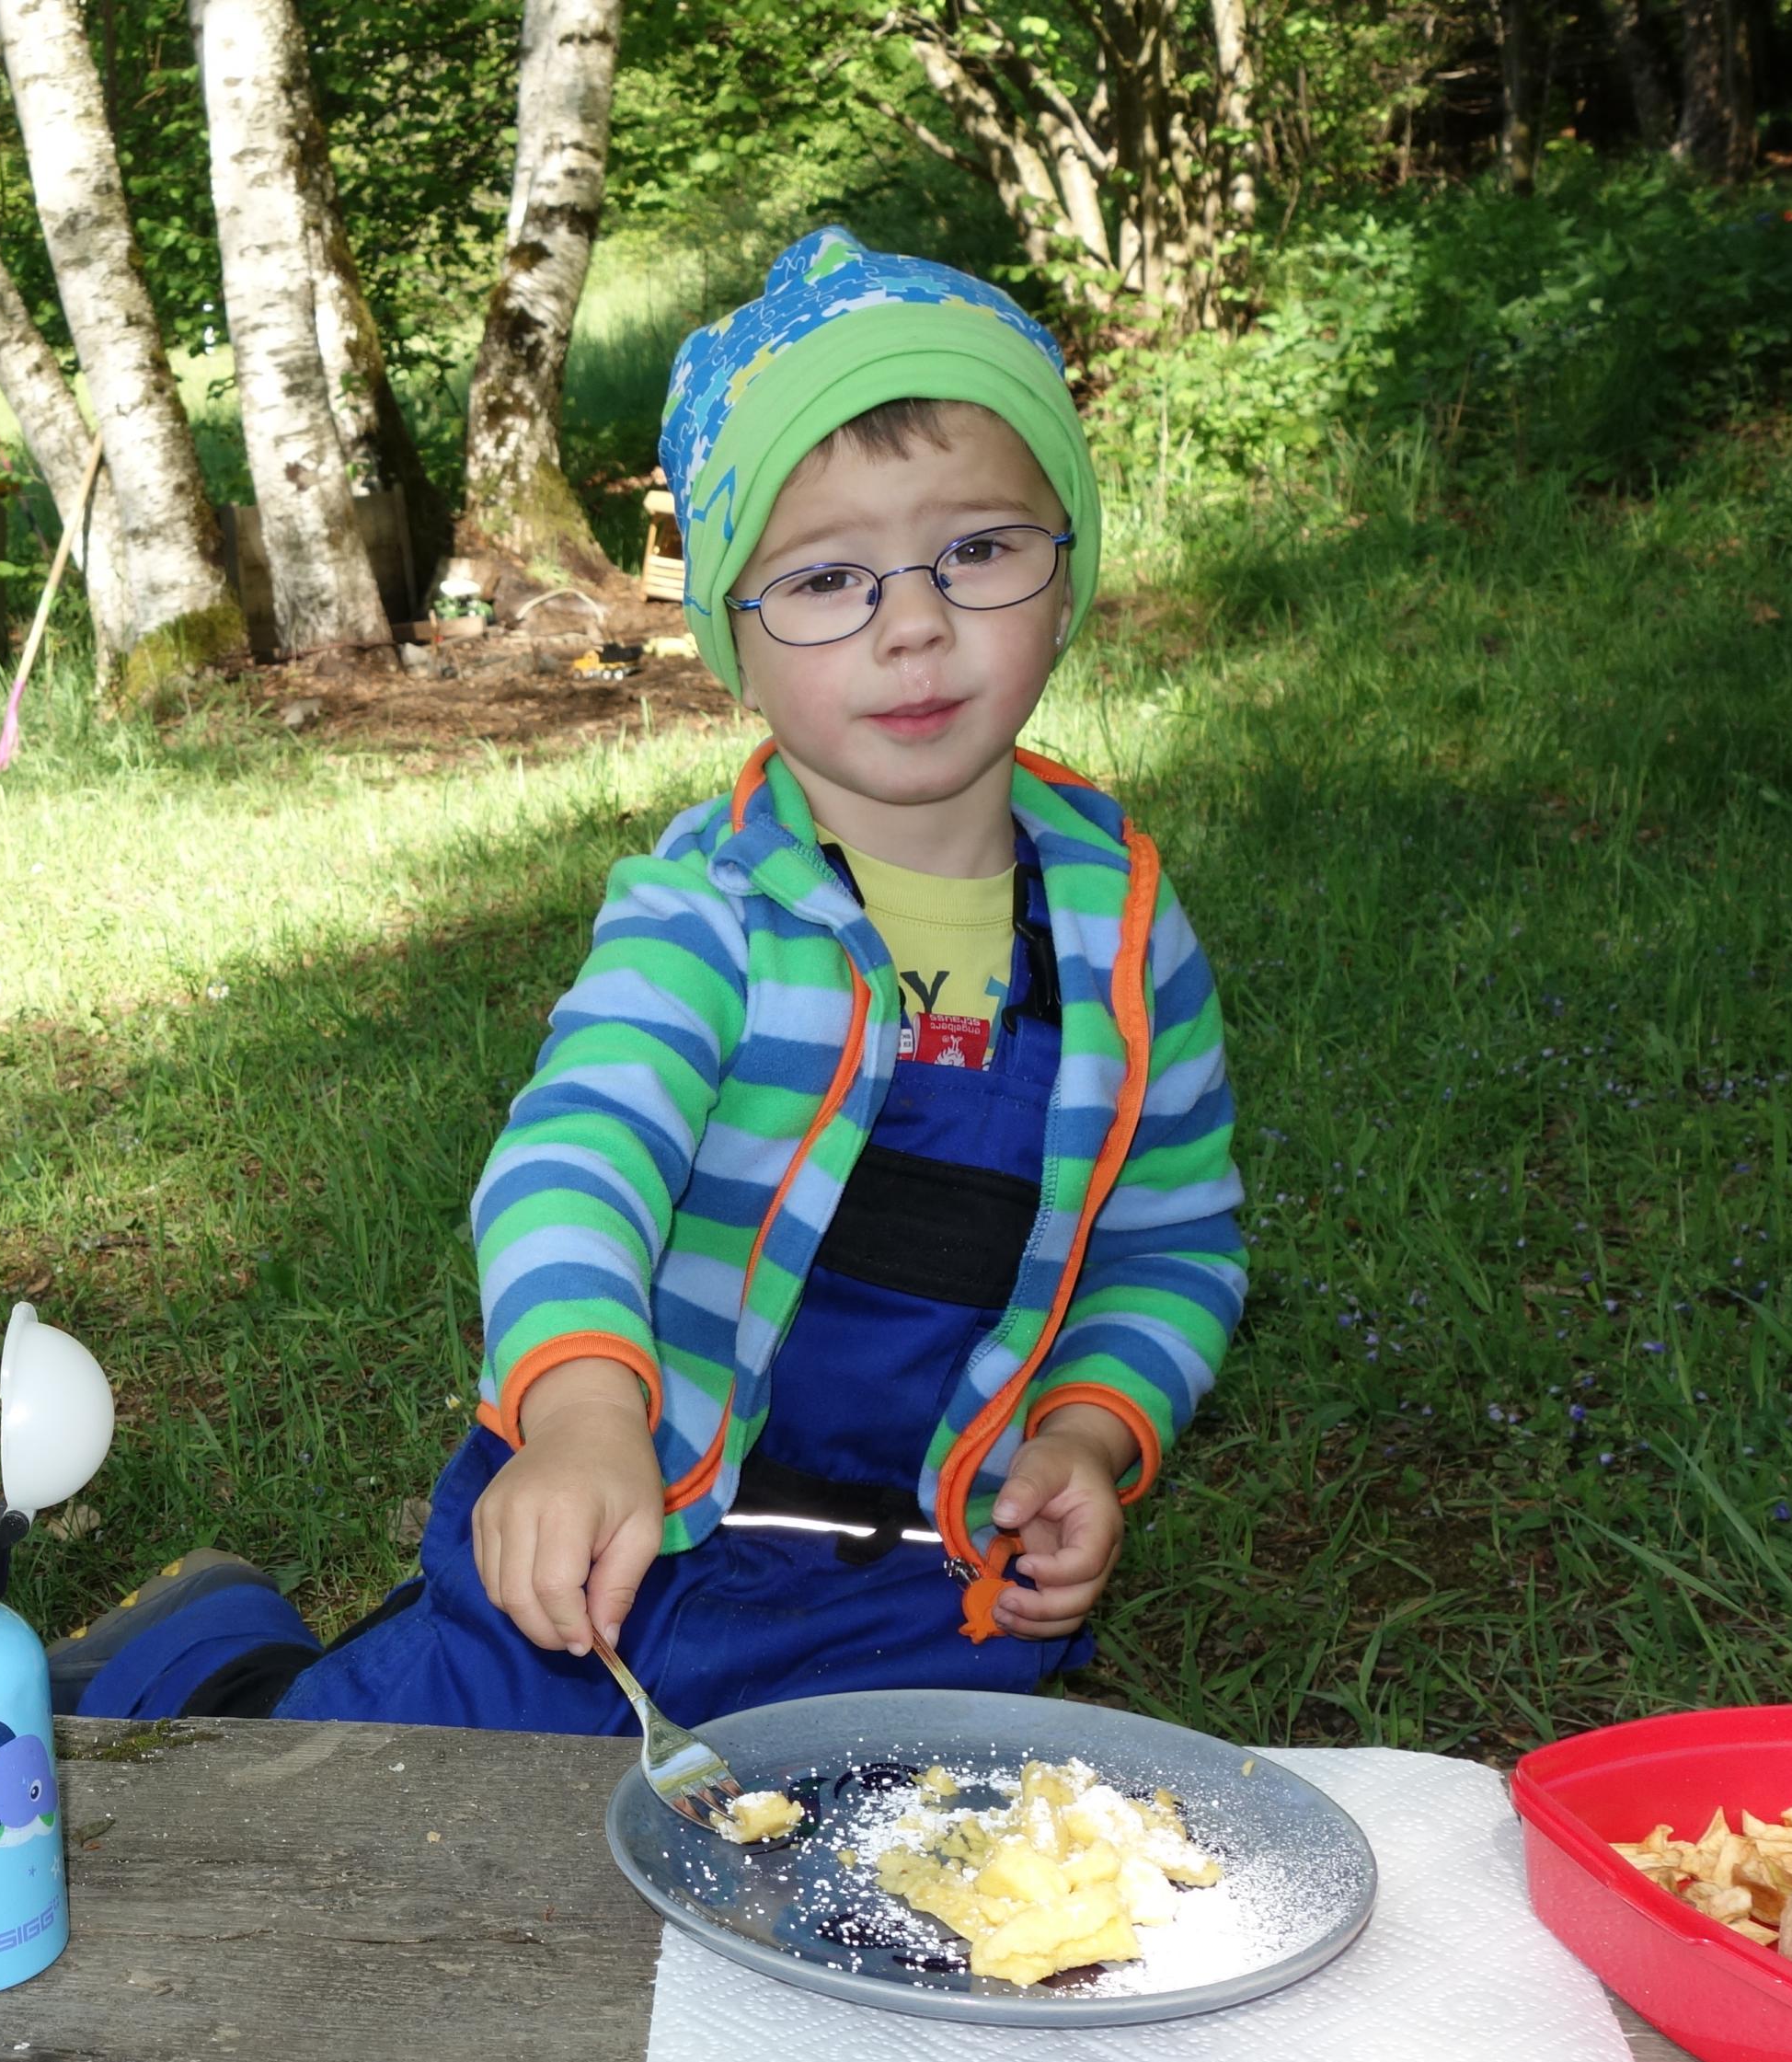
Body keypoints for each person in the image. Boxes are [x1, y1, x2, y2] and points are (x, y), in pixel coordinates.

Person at [62, 230, 1246, 1733]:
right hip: (629, 1541)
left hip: (925, 1602)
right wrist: (579, 1417)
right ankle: (215, 1662)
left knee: (917, 1847)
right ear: (731, 639)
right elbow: (576, 1163)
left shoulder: (1121, 938)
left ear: (1066, 573)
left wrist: (1088, 1429)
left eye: (981, 549)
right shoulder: (711, 916)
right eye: (825, 577)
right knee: (383, 1791)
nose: (914, 621)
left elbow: (1173, 1245)